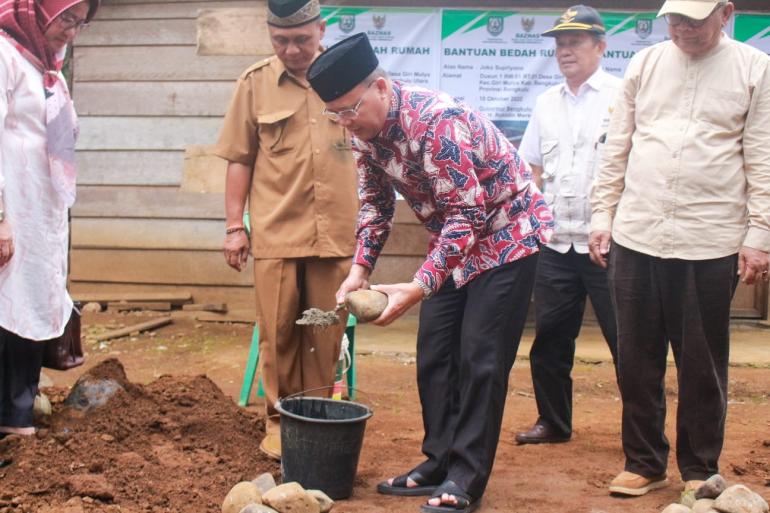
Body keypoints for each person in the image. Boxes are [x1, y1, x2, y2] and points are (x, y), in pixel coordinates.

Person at [307, 33, 554, 513]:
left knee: (481, 357)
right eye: (334, 114)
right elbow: (376, 207)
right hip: (455, 241)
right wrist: (360, 270)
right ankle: (437, 461)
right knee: (435, 352)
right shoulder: (363, 135)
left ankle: (464, 478)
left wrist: (419, 285)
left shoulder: (434, 121)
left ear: (380, 87)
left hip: (508, 234)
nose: (345, 122)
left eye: (350, 109)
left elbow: (468, 213)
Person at [589, 0, 770, 497]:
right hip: (637, 232)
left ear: (725, 13)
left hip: (709, 237)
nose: (682, 29)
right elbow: (617, 146)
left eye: (693, 19)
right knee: (636, 357)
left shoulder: (755, 69)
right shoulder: (645, 63)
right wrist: (602, 216)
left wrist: (760, 236)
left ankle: (698, 467)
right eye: (674, 19)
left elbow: (763, 154)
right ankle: (644, 461)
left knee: (702, 361)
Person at [214, 0, 358, 461]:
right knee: (278, 329)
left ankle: (314, 413)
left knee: (321, 329)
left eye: (301, 39)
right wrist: (236, 227)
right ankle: (278, 420)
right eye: (281, 41)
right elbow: (240, 159)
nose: (292, 50)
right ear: (269, 35)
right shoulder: (255, 84)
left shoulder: (350, 77)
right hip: (276, 233)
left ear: (321, 28)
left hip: (334, 235)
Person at [515, 5, 619, 445]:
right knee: (551, 341)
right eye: (560, 44)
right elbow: (531, 168)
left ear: (600, 46)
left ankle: (639, 434)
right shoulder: (546, 103)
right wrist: (528, 226)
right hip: (557, 244)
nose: (565, 51)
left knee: (629, 343)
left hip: (612, 246)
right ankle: (553, 422)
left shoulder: (622, 95)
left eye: (575, 42)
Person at [0, 0, 99, 458]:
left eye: (79, 24)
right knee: (7, 304)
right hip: (11, 205)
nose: (71, 32)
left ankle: (18, 409)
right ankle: (10, 412)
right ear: (40, 10)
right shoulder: (4, 55)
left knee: (30, 301)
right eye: (67, 20)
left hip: (39, 209)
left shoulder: (46, 66)